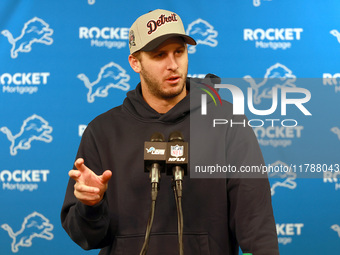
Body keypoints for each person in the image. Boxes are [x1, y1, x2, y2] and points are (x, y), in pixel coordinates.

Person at [61, 9, 279, 255]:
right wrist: (91, 205)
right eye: (159, 55)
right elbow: (87, 238)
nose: (173, 65)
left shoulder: (227, 122)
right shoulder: (102, 132)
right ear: (135, 62)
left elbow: (256, 224)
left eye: (179, 52)